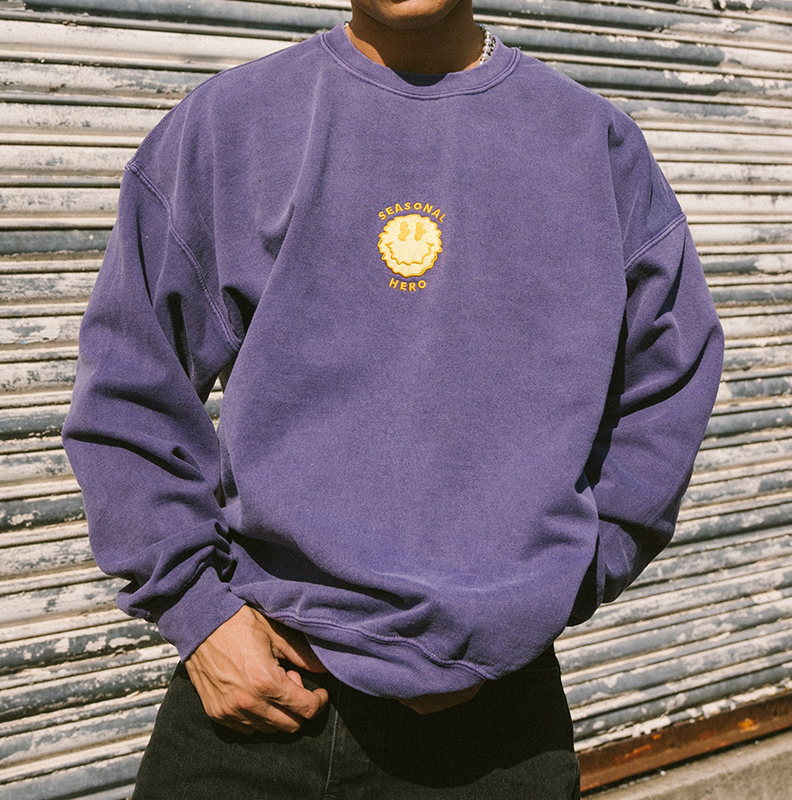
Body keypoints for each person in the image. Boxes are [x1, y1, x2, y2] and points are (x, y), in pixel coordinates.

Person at [61, 0, 725, 795]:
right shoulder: (231, 127)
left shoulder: (593, 145)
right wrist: (198, 614)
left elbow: (668, 382)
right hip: (263, 698)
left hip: (497, 732)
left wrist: (555, 586)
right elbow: (131, 387)